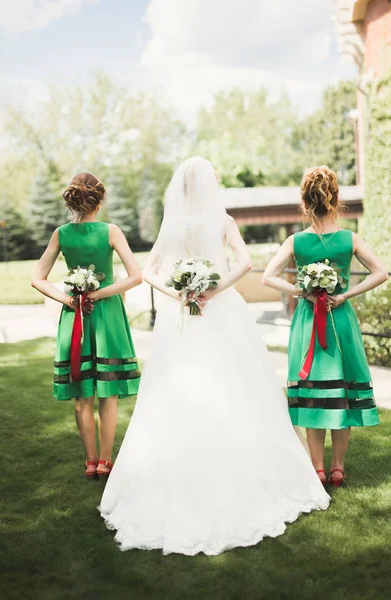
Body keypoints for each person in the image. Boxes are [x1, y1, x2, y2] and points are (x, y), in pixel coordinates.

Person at [99, 157, 330, 556]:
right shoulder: (222, 221)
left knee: (181, 389)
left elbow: (150, 271)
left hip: (181, 317)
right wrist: (213, 289)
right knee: (236, 387)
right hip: (221, 308)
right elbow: (245, 263)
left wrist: (179, 293)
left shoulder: (172, 224)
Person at [263, 166, 388, 486]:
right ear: (335, 199)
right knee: (341, 391)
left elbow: (268, 277)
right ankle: (337, 467)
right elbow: (380, 273)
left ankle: (317, 466)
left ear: (305, 203)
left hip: (308, 320)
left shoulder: (296, 241)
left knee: (315, 393)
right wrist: (345, 294)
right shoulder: (350, 238)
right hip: (340, 320)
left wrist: (300, 291)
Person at [31, 172, 142, 478]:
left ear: (72, 200)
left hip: (76, 315)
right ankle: (106, 461)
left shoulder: (61, 234)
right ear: (99, 200)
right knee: (107, 389)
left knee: (82, 391)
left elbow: (36, 278)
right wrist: (99, 293)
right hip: (107, 316)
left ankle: (90, 461)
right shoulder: (111, 231)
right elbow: (135, 276)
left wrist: (70, 300)